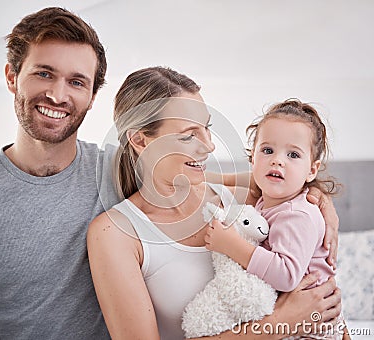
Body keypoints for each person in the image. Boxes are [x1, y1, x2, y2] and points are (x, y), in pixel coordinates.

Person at [87, 68, 342, 340]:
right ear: (140, 140)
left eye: (207, 128)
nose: (209, 146)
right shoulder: (116, 234)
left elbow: (318, 277)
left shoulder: (244, 197)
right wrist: (281, 321)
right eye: (188, 135)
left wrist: (320, 199)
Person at [0, 7, 120, 339]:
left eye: (77, 82)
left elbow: (202, 185)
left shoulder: (120, 171)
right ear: (12, 77)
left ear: (92, 96)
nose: (58, 94)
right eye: (44, 73)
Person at [204, 99, 347, 339]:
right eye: (267, 150)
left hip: (313, 327)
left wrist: (231, 245)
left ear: (312, 170)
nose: (277, 160)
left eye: (293, 154)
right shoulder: (268, 201)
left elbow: (286, 275)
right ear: (252, 160)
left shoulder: (297, 214)